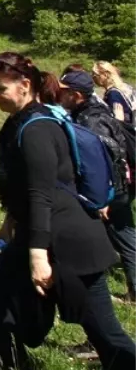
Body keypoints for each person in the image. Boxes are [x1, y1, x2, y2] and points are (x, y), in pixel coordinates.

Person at [0, 52, 136, 370]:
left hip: (68, 243)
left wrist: (38, 257)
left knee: (104, 331)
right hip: (41, 233)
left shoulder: (38, 128)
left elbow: (41, 193)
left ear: (25, 85)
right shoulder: (24, 120)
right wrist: (9, 225)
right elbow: (24, 188)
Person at [58, 68, 136, 303]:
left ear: (77, 95)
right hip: (119, 187)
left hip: (111, 190)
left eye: (65, 92)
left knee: (122, 237)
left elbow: (108, 157)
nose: (60, 96)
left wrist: (103, 198)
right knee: (125, 235)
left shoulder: (91, 120)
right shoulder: (92, 111)